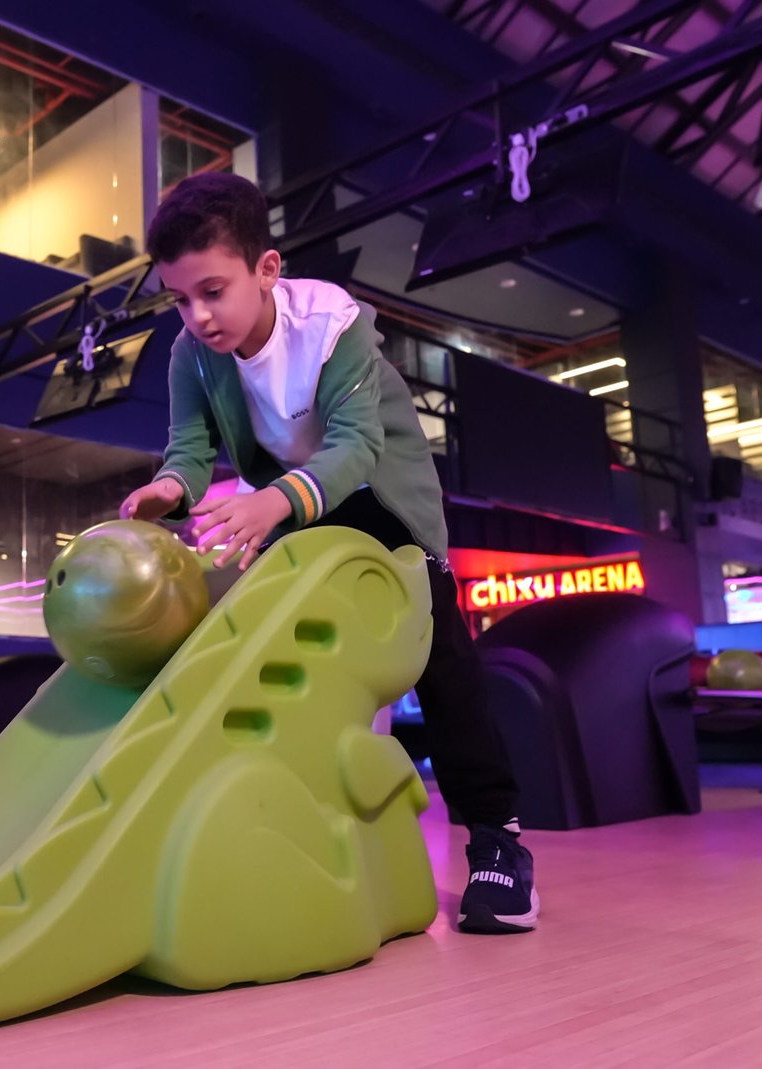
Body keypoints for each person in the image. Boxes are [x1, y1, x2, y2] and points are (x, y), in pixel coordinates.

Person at [120, 173, 537, 934]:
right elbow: (189, 450)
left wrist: (271, 501)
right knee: (272, 652)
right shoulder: (191, 354)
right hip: (293, 507)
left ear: (266, 268)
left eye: (212, 291)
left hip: (383, 497)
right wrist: (169, 490)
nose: (198, 315)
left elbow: (356, 445)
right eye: (180, 299)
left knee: (441, 660)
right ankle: (285, 821)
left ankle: (496, 838)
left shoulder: (333, 325)